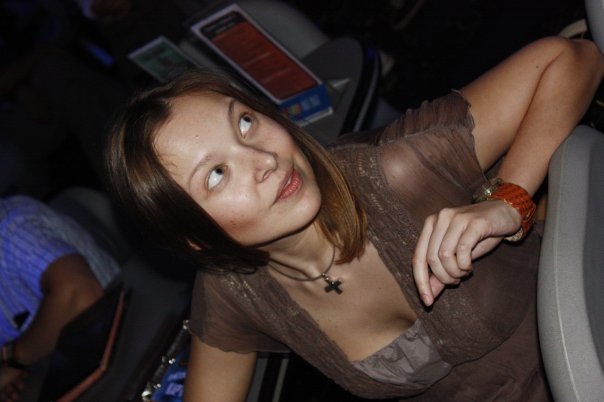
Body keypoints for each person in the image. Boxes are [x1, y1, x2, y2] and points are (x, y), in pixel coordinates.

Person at [105, 36, 604, 401]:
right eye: (216, 174)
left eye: (246, 122)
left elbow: (573, 56)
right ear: (194, 235)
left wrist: (509, 199)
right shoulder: (235, 292)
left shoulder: (400, 172)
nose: (264, 159)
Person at [0, 195, 120, 402]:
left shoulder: (10, 231)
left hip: (125, 343)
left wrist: (13, 360)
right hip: (65, 371)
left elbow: (80, 297)